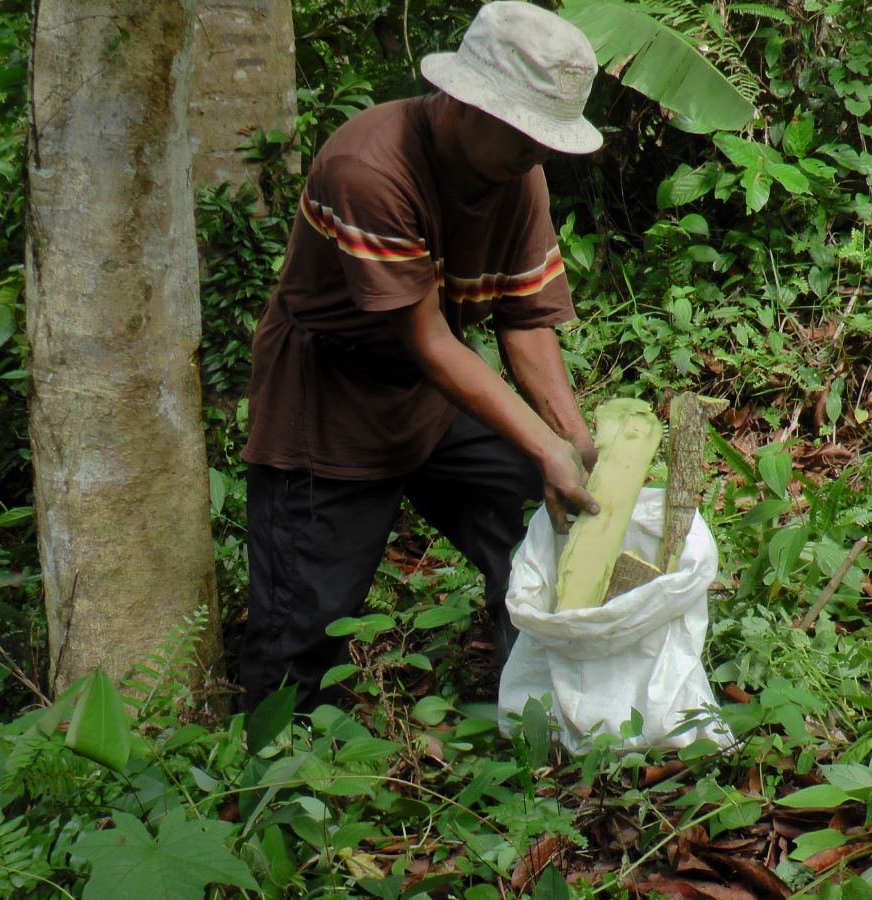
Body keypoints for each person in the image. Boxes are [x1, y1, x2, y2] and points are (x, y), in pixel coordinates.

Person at [240, 1, 604, 710]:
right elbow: (431, 340)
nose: (538, 153)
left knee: (536, 509)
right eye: (524, 134)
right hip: (329, 401)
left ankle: (537, 705)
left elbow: (526, 321)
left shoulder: (516, 174)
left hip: (428, 396)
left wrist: (570, 438)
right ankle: (274, 779)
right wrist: (542, 442)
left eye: (544, 139)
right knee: (306, 619)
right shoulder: (369, 167)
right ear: (464, 104)